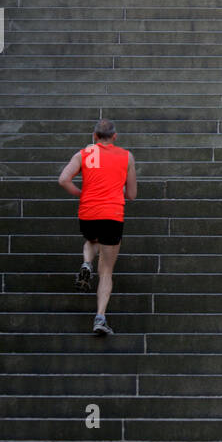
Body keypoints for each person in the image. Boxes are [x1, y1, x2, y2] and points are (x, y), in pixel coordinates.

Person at [57, 119, 137, 335]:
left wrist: (81, 193)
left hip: (88, 212)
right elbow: (131, 194)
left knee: (91, 239)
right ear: (115, 136)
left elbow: (63, 179)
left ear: (94, 136)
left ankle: (86, 263)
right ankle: (100, 317)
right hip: (112, 215)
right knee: (107, 271)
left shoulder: (84, 153)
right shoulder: (126, 156)